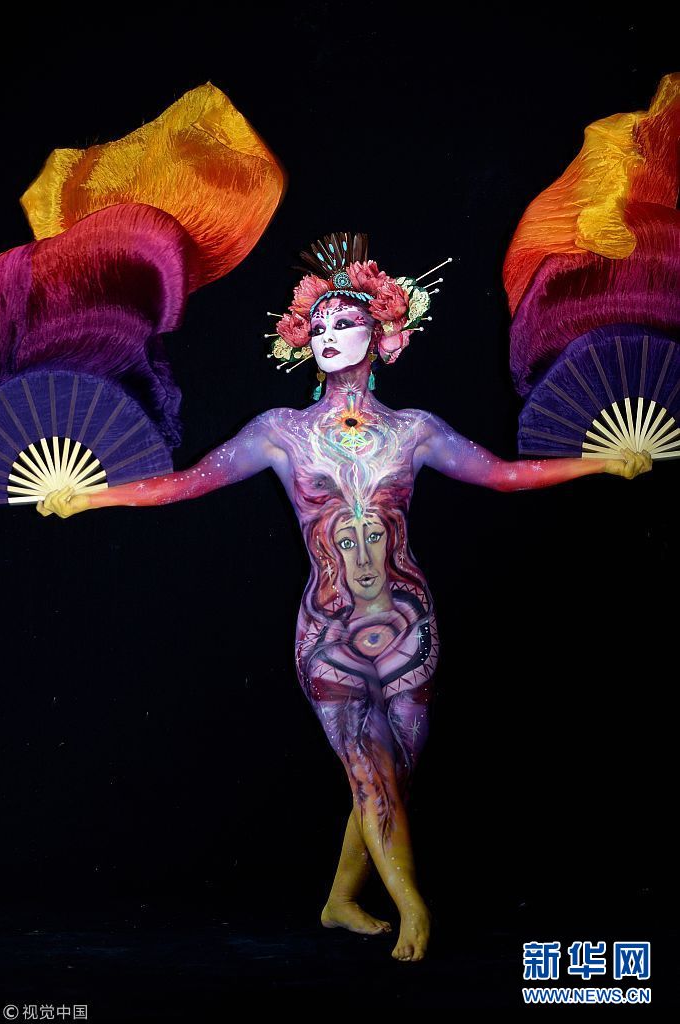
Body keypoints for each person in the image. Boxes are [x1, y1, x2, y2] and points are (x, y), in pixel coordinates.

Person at [37, 264, 652, 962]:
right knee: (368, 769)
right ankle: (413, 908)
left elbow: (504, 474)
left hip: (411, 622)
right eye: (319, 325)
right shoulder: (280, 432)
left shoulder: (415, 431)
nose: (328, 334)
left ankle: (339, 900)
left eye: (345, 322)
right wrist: (91, 497)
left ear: (383, 334)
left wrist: (601, 463)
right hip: (327, 630)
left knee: (395, 771)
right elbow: (186, 483)